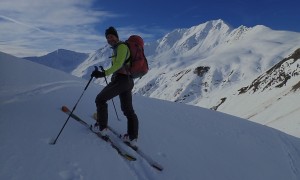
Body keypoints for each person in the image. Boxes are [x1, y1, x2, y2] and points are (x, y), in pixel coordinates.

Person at [91, 26, 139, 147]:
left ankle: (102, 128)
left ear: (116, 36)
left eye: (111, 36)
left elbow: (118, 64)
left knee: (100, 99)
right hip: (127, 81)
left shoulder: (121, 47)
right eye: (107, 37)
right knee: (128, 110)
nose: (109, 39)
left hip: (122, 81)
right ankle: (132, 137)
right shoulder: (117, 48)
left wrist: (103, 73)